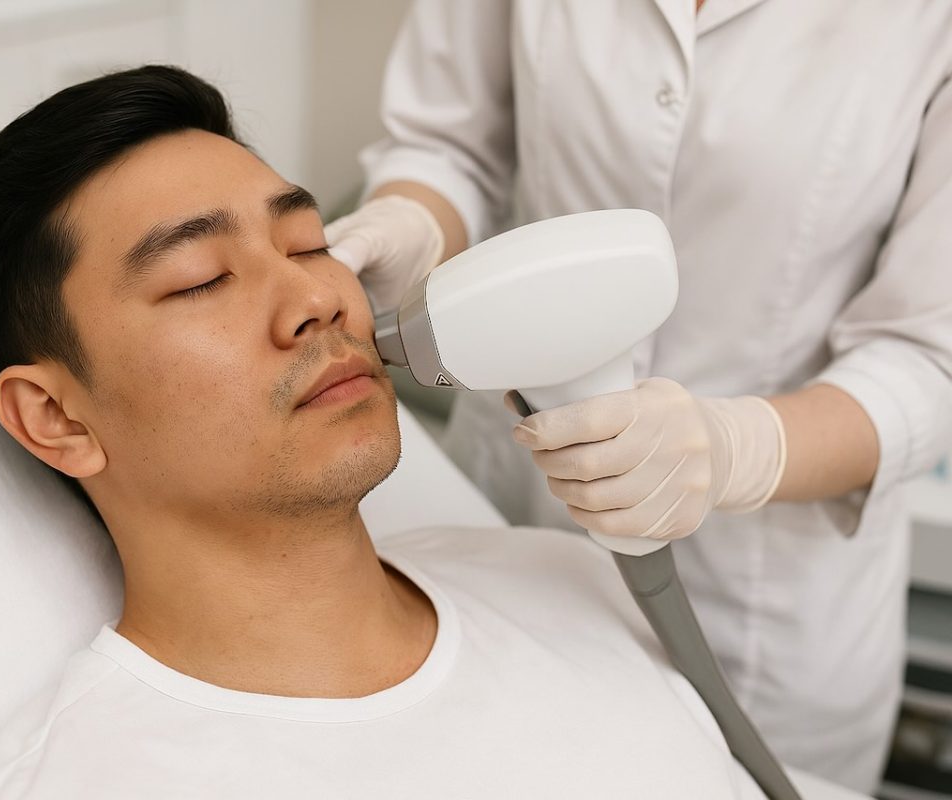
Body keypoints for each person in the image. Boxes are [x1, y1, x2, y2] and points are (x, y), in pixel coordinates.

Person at [0, 65, 775, 799]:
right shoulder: (96, 778)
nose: (319, 299)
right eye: (201, 280)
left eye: (304, 243)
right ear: (57, 417)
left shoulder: (562, 578)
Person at [322, 1, 952, 791]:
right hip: (508, 516)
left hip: (768, 611)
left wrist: (738, 451)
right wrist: (414, 219)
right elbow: (451, 144)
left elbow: (929, 357)